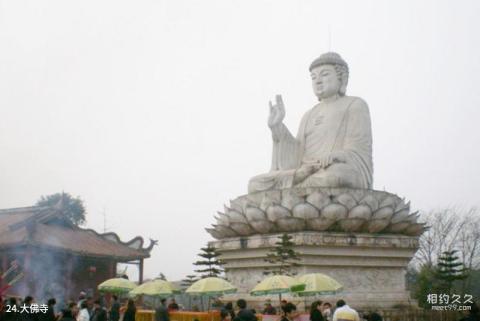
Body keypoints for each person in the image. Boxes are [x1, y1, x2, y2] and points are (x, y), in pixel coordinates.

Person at [249, 52, 373, 193]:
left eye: (325, 74)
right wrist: (277, 128)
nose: (318, 81)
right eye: (313, 77)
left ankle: (295, 192)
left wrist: (337, 155)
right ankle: (301, 188)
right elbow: (296, 154)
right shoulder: (309, 115)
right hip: (305, 173)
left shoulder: (355, 105)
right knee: (255, 183)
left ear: (342, 79)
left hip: (333, 169)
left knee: (338, 176)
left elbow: (359, 151)